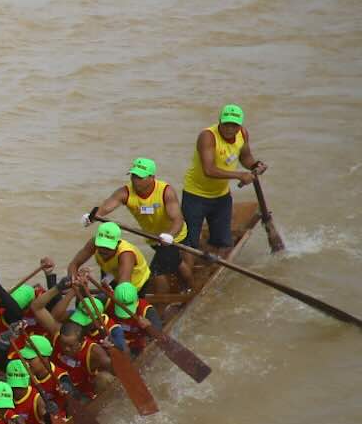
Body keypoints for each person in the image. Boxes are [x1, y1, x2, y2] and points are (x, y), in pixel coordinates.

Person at [90, 158, 193, 294]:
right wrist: (91, 216)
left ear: (152, 178)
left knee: (157, 272)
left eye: (140, 177)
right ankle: (188, 286)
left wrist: (170, 236)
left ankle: (180, 293)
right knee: (176, 262)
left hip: (173, 236)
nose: (135, 180)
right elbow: (107, 206)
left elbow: (178, 219)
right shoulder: (125, 192)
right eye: (134, 176)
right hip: (153, 238)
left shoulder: (165, 191)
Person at [181, 104, 266, 251]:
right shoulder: (207, 136)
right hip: (195, 196)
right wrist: (239, 175)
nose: (229, 129)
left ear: (240, 126)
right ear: (219, 121)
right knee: (189, 243)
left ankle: (211, 254)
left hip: (221, 196)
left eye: (234, 125)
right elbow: (209, 170)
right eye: (226, 124)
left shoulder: (243, 134)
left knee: (223, 243)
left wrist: (255, 165)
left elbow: (245, 157)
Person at [69, 220, 149, 293]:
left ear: (117, 243)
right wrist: (74, 281)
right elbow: (73, 265)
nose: (103, 250)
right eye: (101, 245)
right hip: (111, 272)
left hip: (133, 283)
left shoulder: (126, 255)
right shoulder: (93, 243)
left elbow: (123, 289)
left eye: (108, 247)